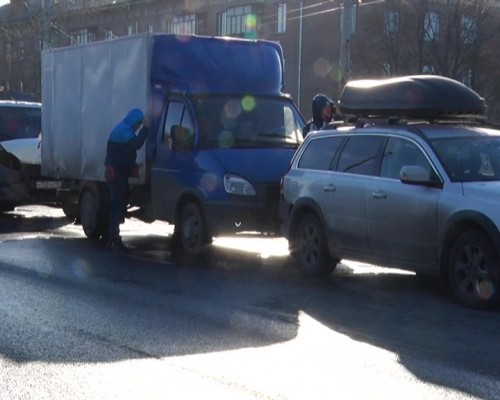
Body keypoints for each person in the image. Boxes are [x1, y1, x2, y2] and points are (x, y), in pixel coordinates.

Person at [104, 108, 149, 253]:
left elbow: (122, 154)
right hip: (116, 174)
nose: (138, 127)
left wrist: (132, 166)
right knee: (117, 205)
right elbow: (136, 144)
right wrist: (146, 129)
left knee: (118, 204)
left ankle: (112, 239)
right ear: (134, 122)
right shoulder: (124, 131)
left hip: (116, 172)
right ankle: (114, 239)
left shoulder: (121, 128)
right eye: (138, 124)